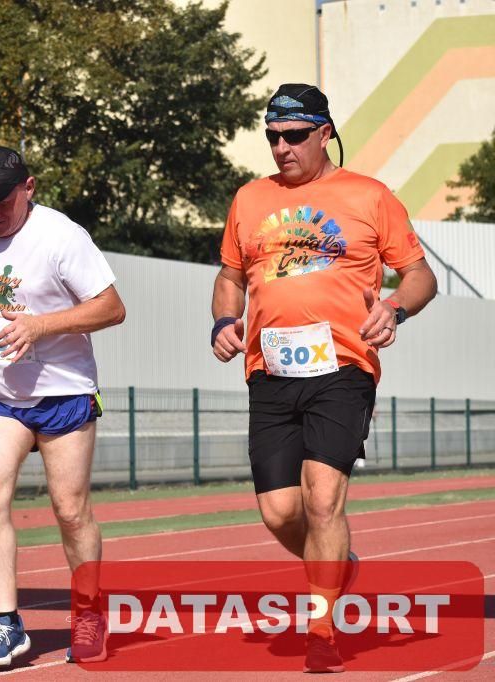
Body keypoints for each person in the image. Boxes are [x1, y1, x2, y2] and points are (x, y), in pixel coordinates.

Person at [210, 84, 437, 673]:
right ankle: (339, 567)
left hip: (343, 366)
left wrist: (395, 308)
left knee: (323, 497)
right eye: (273, 137)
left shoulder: (369, 195)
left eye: (293, 136)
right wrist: (224, 321)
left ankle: (322, 629)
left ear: (324, 133)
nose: (281, 148)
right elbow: (230, 277)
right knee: (280, 512)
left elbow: (420, 275)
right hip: (270, 370)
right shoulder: (249, 198)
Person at [0, 146, 126, 667]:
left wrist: (41, 325)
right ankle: (7, 624)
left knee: (70, 511)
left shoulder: (62, 236)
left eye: (1, 202)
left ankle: (89, 615)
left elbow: (112, 308)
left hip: (63, 392)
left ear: (28, 188)